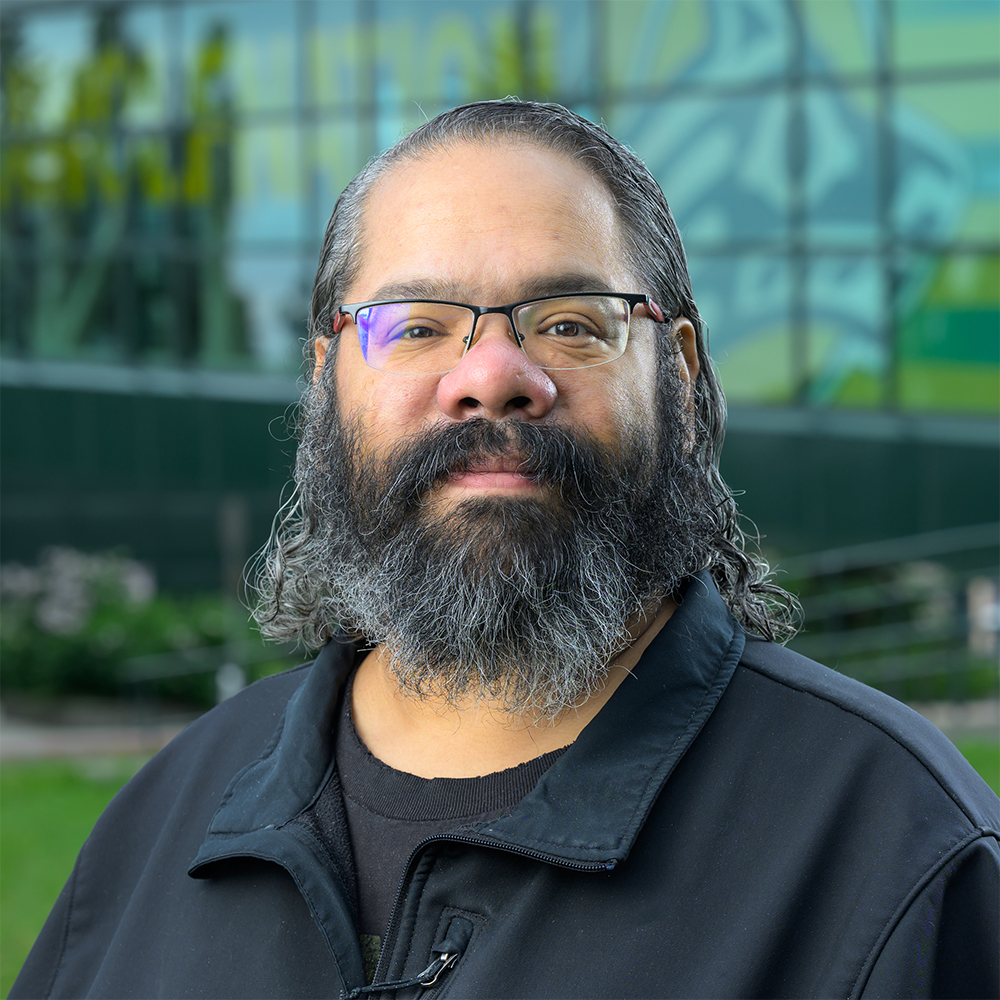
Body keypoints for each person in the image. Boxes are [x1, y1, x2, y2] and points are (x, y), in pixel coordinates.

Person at [12, 101, 998, 1000]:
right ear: (326, 385)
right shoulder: (163, 823)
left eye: (570, 322)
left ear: (680, 379)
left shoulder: (898, 851)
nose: (489, 376)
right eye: (417, 326)